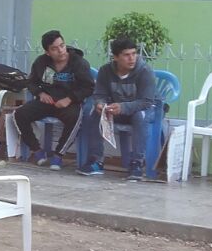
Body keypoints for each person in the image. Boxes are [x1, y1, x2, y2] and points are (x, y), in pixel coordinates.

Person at [76, 38, 157, 181]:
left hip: (141, 110)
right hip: (115, 111)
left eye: (134, 53)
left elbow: (146, 101)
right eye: (126, 55)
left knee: (140, 116)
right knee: (94, 113)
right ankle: (96, 161)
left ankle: (137, 163)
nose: (132, 58)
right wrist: (100, 104)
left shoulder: (145, 71)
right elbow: (99, 94)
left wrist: (124, 107)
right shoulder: (105, 71)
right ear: (115, 57)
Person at [14, 30, 95, 171]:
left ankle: (59, 155)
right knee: (19, 114)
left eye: (62, 46)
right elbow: (31, 82)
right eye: (55, 48)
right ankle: (37, 150)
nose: (61, 51)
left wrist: (70, 99)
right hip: (48, 101)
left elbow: (88, 87)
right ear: (47, 52)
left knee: (75, 118)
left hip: (69, 103)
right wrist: (40, 93)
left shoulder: (79, 63)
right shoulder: (41, 62)